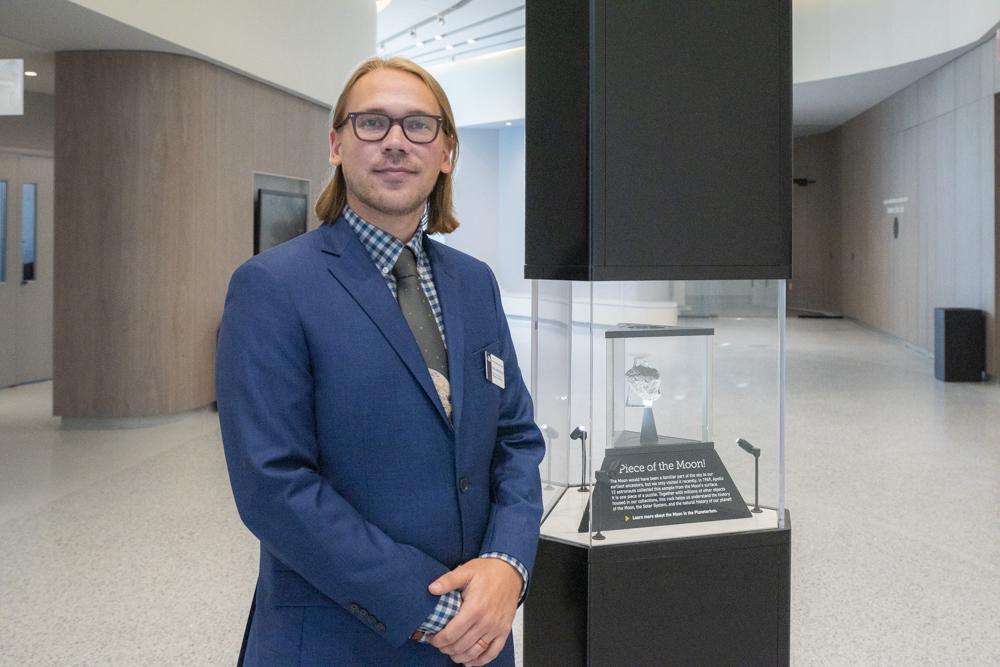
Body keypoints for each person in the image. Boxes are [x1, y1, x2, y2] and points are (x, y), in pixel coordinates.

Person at [216, 56, 544, 667]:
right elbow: (273, 485)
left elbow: (517, 439)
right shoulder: (273, 286)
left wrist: (507, 564)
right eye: (372, 123)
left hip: (480, 637)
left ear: (446, 151)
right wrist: (434, 609)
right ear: (337, 143)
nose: (396, 141)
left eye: (420, 125)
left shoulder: (475, 283)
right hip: (342, 638)